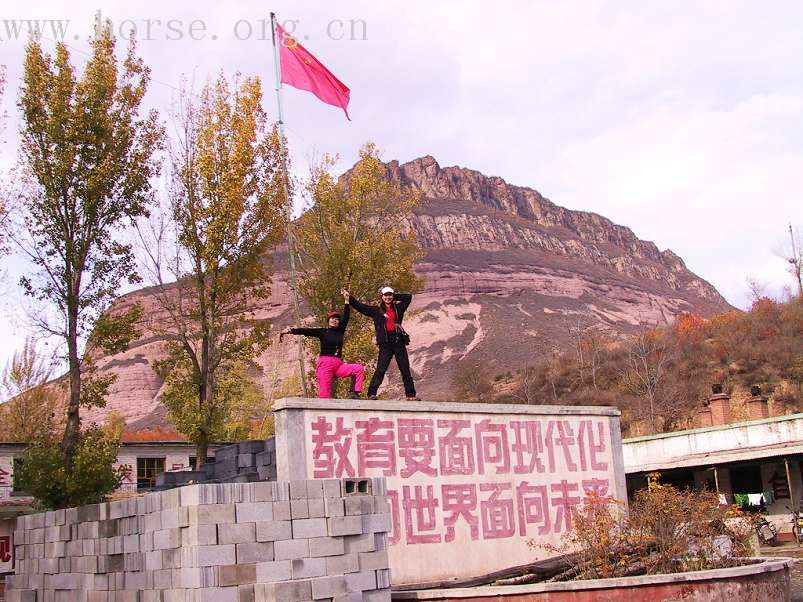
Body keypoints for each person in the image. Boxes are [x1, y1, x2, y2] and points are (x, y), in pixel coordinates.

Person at [280, 291, 364, 399]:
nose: (335, 320)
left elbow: (346, 316)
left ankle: (354, 392)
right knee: (325, 393)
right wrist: (290, 331)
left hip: (338, 364)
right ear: (328, 321)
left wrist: (347, 301)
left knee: (358, 368)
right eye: (333, 319)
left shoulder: (340, 331)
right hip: (325, 364)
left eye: (337, 319)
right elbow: (306, 331)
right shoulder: (322, 331)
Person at [344, 286, 421, 401]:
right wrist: (349, 297)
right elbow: (360, 306)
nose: (388, 297)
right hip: (385, 343)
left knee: (405, 369)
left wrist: (395, 296)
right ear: (382, 297)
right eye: (385, 295)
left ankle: (411, 395)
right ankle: (371, 394)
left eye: (390, 295)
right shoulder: (376, 311)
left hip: (398, 341)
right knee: (381, 369)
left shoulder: (399, 308)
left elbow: (408, 297)